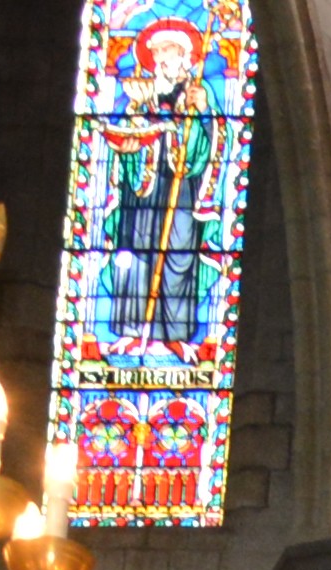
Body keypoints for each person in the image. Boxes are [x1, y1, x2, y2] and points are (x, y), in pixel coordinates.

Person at [98, 19, 227, 362]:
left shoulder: (198, 91)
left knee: (179, 257)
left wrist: (202, 115)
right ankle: (131, 330)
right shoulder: (144, 93)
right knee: (136, 254)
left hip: (181, 190)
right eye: (154, 53)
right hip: (143, 190)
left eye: (165, 52)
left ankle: (177, 335)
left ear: (184, 55)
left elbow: (214, 140)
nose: (158, 59)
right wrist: (135, 122)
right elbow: (127, 131)